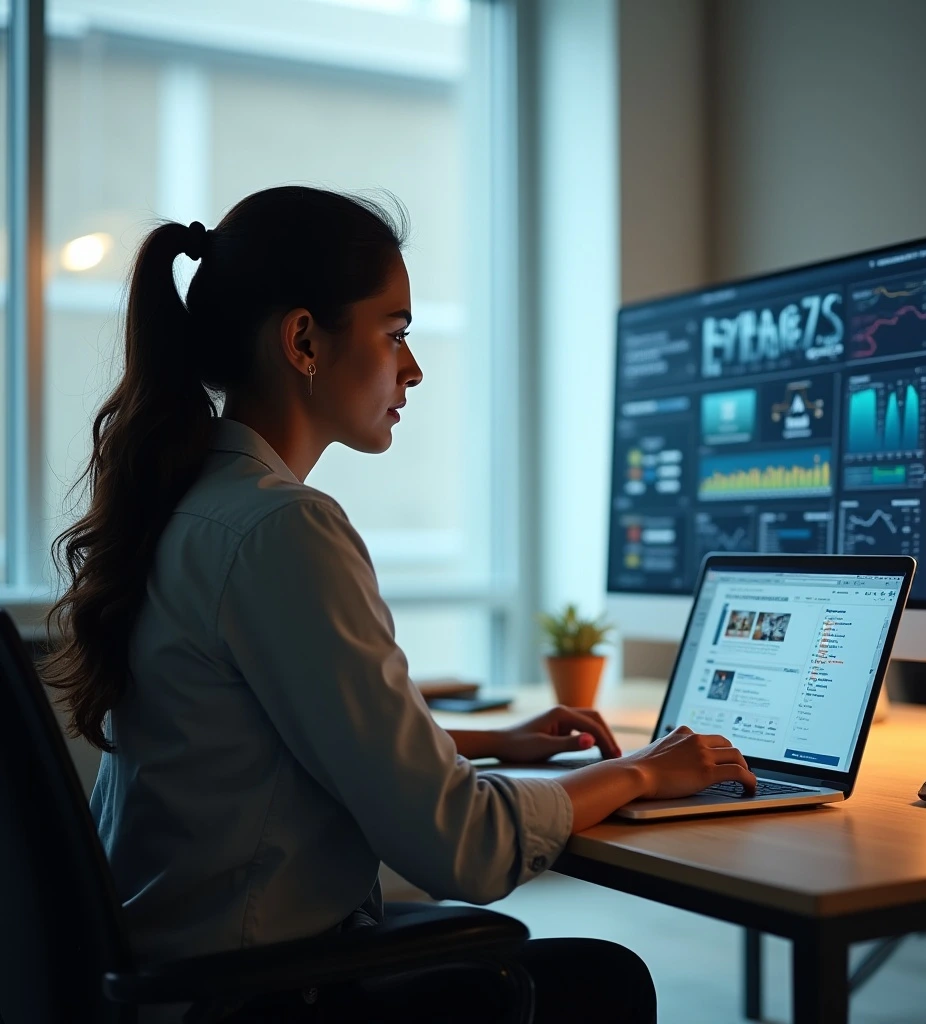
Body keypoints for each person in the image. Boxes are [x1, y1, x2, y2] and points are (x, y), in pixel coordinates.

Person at [42, 185, 756, 1023]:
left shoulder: (188, 505)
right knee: (605, 980)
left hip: (164, 974)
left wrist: (497, 740)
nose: (412, 367)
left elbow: (271, 739)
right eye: (396, 332)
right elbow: (464, 849)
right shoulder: (284, 528)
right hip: (248, 996)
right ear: (304, 340)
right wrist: (641, 770)